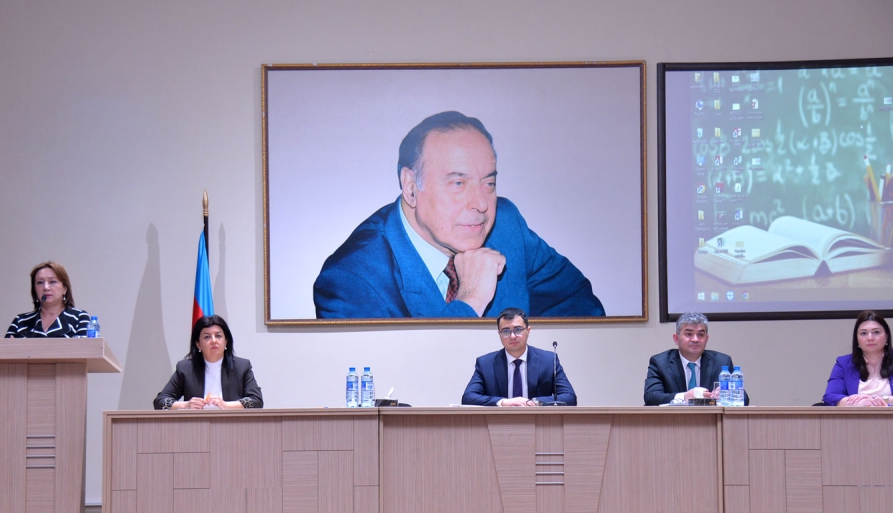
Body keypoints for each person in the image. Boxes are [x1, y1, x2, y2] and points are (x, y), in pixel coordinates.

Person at [313, 111, 604, 319]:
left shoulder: (507, 226)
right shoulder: (353, 279)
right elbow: (401, 381)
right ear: (411, 187)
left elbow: (586, 315)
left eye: (488, 183)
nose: (481, 204)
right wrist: (470, 300)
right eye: (458, 183)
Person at [462, 307, 576, 406]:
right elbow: (468, 398)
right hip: (499, 421)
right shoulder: (486, 364)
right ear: (499, 334)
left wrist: (535, 403)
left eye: (518, 330)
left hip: (539, 421)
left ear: (528, 331)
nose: (512, 336)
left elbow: (569, 397)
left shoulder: (548, 360)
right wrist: (503, 402)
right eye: (506, 331)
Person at [822, 311, 893, 407]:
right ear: (857, 339)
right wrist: (860, 402)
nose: (870, 338)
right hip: (855, 421)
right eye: (864, 333)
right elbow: (830, 397)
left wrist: (882, 400)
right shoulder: (844, 363)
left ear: (887, 336)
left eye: (876, 332)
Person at [154, 315, 264, 410]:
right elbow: (160, 401)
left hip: (232, 424)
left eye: (218, 336)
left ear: (226, 341)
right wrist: (186, 405)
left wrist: (226, 405)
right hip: (196, 425)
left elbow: (256, 401)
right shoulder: (185, 368)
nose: (214, 340)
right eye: (207, 337)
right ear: (198, 344)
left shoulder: (241, 366)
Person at [644, 311, 748, 406]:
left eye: (700, 335)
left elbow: (744, 399)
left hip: (710, 419)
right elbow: (651, 397)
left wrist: (726, 395)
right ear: (676, 338)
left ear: (706, 339)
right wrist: (684, 396)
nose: (695, 339)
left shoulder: (722, 362)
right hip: (673, 419)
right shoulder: (660, 362)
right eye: (689, 334)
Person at [5, 261, 89, 338]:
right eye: (40, 282)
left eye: (52, 282)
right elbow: (4, 348)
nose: (46, 287)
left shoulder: (79, 318)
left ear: (64, 289)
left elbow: (85, 349)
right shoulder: (20, 321)